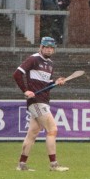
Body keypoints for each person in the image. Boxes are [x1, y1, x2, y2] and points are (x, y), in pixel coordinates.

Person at [13, 36, 69, 171]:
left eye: (51, 48)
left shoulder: (50, 64)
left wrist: (56, 82)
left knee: (32, 133)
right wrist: (25, 90)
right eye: (46, 47)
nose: (49, 50)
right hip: (37, 102)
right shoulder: (33, 59)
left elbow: (47, 84)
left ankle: (22, 165)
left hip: (43, 100)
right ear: (41, 47)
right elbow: (17, 74)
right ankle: (54, 165)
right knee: (52, 130)